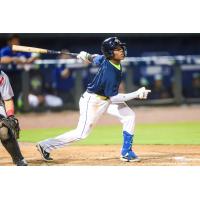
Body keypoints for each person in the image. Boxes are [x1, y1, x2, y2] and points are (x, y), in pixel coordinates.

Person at [36, 37, 151, 162]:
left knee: (129, 116)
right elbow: (115, 97)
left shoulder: (107, 59)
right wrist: (136, 94)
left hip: (105, 99)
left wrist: (86, 55)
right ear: (110, 53)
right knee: (81, 134)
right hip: (93, 102)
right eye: (117, 49)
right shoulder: (110, 72)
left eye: (121, 48)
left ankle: (127, 152)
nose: (122, 51)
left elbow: (95, 58)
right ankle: (45, 145)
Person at [0, 59, 28, 166]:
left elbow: (7, 99)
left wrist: (10, 116)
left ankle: (18, 159)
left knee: (4, 131)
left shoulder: (2, 76)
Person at [0, 34, 38, 107]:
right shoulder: (5, 50)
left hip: (18, 75)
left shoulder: (22, 50)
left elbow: (35, 56)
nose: (16, 43)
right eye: (14, 41)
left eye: (17, 41)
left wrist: (29, 60)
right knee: (6, 94)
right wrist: (14, 59)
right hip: (6, 75)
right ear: (9, 42)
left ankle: (16, 109)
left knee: (16, 92)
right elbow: (2, 60)